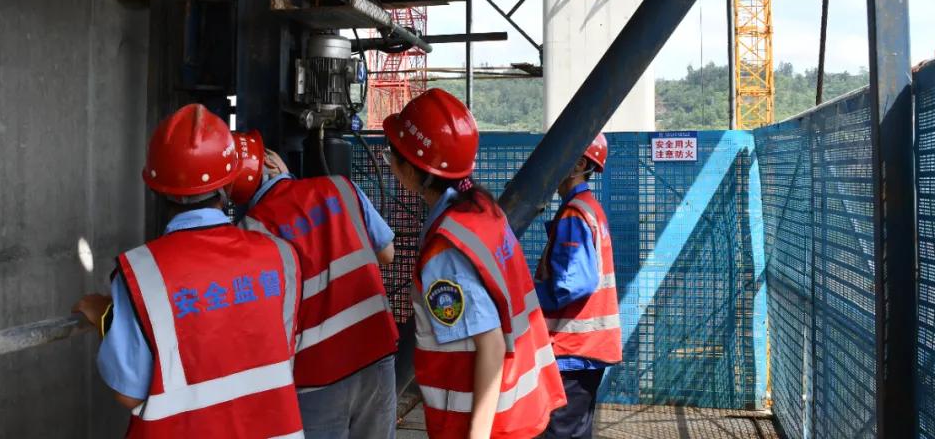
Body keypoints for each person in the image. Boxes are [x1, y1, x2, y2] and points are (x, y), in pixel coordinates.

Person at [72, 104, 304, 438]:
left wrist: (108, 320)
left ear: (156, 187)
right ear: (230, 183)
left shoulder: (141, 273)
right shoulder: (279, 255)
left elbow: (129, 392)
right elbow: (280, 351)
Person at [381, 88, 566, 439]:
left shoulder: (445, 254)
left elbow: (491, 346)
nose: (390, 163)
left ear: (415, 170)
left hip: (483, 422)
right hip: (518, 407)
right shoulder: (483, 211)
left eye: (394, 155)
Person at [227, 129, 399, 439]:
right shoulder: (340, 188)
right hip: (374, 351)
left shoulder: (250, 230)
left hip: (315, 373)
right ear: (272, 162)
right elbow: (387, 253)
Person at [535, 134, 621, 439]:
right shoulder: (589, 208)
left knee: (561, 431)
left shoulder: (575, 213)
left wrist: (527, 295)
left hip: (573, 349)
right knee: (575, 430)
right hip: (585, 349)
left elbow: (572, 284)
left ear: (580, 164)